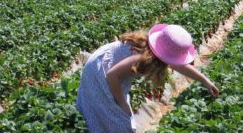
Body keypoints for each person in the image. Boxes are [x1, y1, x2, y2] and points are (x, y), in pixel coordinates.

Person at [76, 24, 219, 133]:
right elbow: (112, 75)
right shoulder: (141, 58)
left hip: (109, 70)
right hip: (100, 73)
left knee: (116, 117)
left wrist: (205, 81)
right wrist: (121, 102)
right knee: (117, 119)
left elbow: (180, 66)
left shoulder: (154, 50)